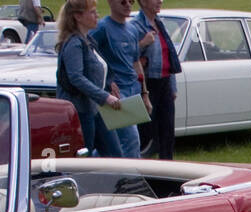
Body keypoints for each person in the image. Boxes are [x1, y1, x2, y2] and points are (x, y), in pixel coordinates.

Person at [55, 0, 122, 157]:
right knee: (85, 158)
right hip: (81, 112)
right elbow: (76, 77)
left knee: (115, 155)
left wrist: (108, 84)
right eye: (92, 12)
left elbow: (97, 69)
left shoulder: (88, 41)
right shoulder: (74, 43)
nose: (97, 15)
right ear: (78, 16)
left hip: (96, 109)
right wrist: (105, 97)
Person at [90, 0, 155, 159]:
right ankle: (133, 179)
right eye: (123, 2)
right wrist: (106, 82)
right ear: (111, 3)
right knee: (131, 139)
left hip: (133, 89)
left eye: (131, 2)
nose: (128, 5)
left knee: (114, 142)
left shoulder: (132, 29)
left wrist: (145, 94)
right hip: (117, 93)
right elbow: (89, 55)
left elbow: (136, 62)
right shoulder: (102, 28)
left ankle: (92, 165)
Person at [136, 0, 180, 159]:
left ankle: (167, 168)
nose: (160, 1)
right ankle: (142, 168)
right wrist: (142, 43)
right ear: (143, 2)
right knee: (146, 131)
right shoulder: (137, 26)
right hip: (148, 83)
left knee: (167, 130)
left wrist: (173, 87)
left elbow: (169, 56)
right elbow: (128, 56)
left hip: (165, 82)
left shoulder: (160, 24)